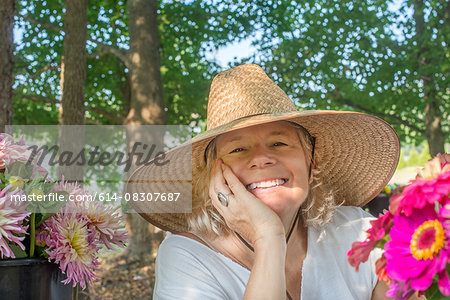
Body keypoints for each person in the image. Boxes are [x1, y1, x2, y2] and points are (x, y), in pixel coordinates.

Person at [126, 64, 421, 299]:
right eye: (238, 149)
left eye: (279, 143)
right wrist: (268, 238)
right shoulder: (188, 257)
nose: (262, 159)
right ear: (213, 175)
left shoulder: (356, 230)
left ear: (311, 161)